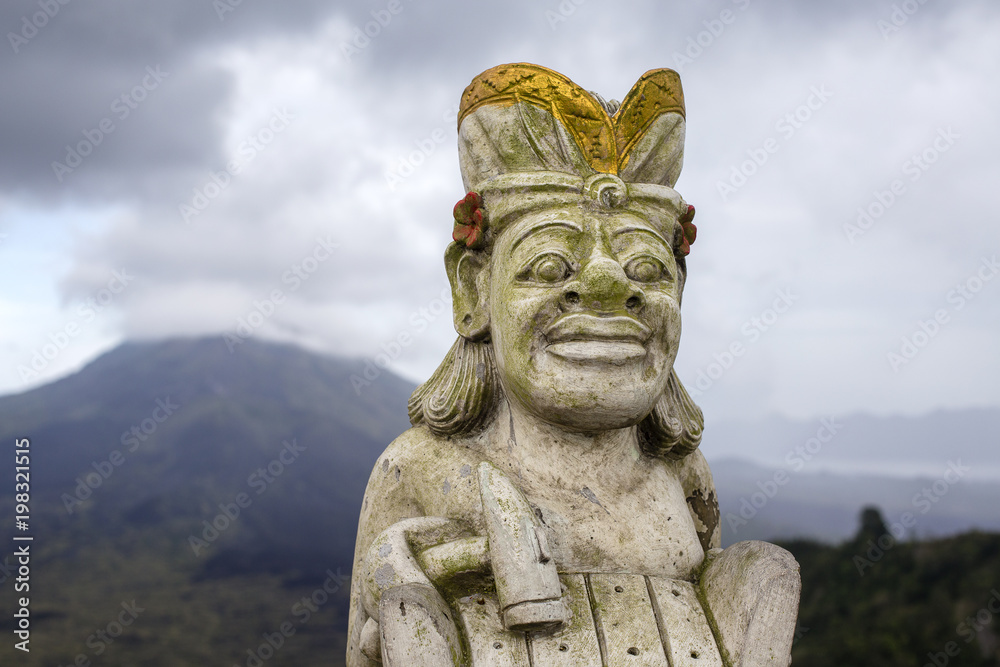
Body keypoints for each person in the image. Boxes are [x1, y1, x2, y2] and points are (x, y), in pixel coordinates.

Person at [346, 63, 796, 667]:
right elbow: (367, 647)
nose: (611, 288)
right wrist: (434, 570)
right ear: (473, 291)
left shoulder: (684, 472)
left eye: (648, 270)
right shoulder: (419, 469)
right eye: (551, 265)